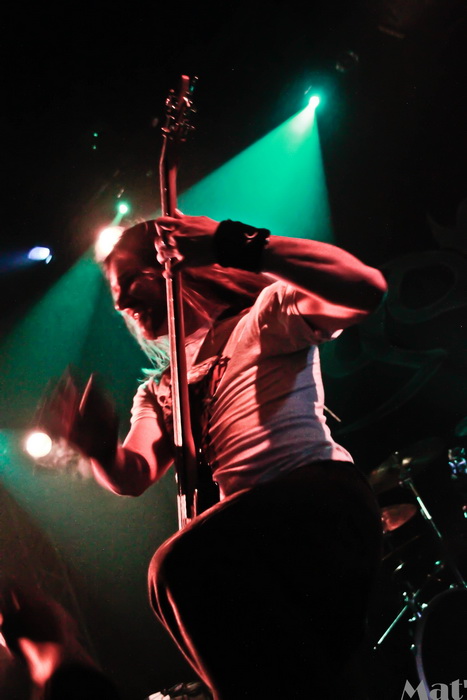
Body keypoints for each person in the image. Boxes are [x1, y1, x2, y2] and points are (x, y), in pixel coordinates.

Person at [44, 213, 387, 699]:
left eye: (131, 281)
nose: (120, 303)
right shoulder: (160, 390)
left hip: (315, 499)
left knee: (176, 567)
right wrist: (99, 451)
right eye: (115, 294)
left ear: (174, 267)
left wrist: (233, 242)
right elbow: (133, 473)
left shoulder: (262, 317)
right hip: (253, 537)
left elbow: (364, 287)